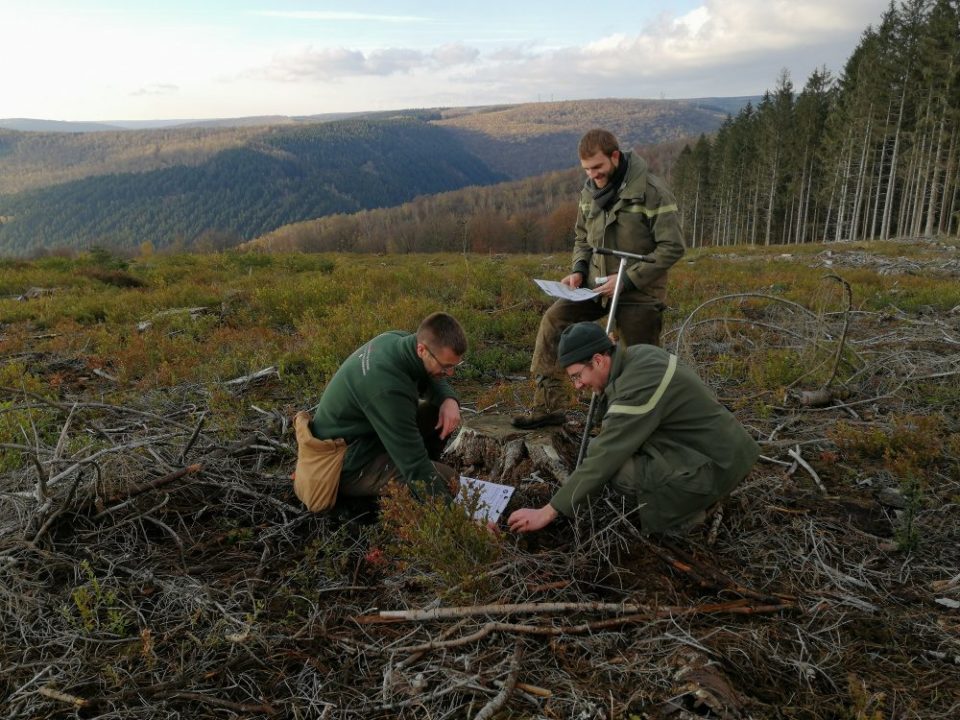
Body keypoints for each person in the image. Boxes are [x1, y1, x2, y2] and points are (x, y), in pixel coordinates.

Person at [507, 322, 759, 536]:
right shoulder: (638, 355)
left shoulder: (636, 388)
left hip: (719, 465)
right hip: (715, 449)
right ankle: (695, 495)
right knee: (601, 450)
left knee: (619, 472)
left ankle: (689, 514)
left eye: (577, 376)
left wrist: (549, 510)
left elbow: (605, 456)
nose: (577, 385)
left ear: (598, 360)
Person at [513, 128, 686, 429]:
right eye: (587, 169)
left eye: (598, 167)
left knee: (637, 360)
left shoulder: (652, 191)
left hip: (640, 292)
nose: (593, 175)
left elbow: (673, 247)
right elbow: (582, 238)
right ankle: (548, 407)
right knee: (554, 321)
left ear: (615, 157)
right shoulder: (588, 192)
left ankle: (629, 423)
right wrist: (579, 269)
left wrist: (628, 280)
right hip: (596, 289)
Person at [307, 312, 467, 502]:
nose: (450, 373)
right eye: (445, 366)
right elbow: (413, 465)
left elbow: (432, 379)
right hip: (345, 464)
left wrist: (449, 399)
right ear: (422, 350)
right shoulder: (388, 390)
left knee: (436, 411)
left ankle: (425, 467)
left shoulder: (396, 339)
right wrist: (462, 519)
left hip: (368, 436)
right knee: (449, 481)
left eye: (454, 366)